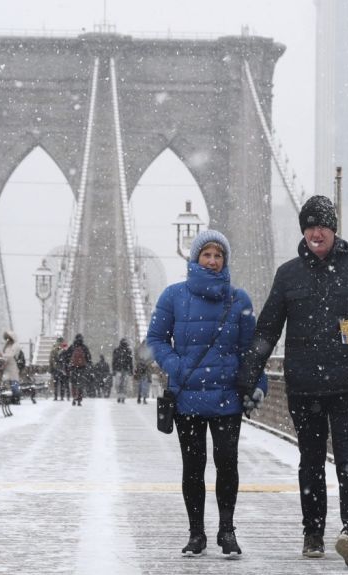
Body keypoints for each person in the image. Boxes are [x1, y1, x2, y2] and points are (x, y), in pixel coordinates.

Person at [235, 195, 348, 568]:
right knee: (311, 463)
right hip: (305, 387)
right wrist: (248, 373)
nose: (316, 233)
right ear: (304, 231)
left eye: (322, 226)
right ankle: (313, 531)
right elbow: (268, 329)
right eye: (310, 226)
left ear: (334, 230)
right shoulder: (288, 275)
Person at [147, 229, 268, 557]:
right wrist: (177, 366)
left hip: (227, 396)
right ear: (196, 258)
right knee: (193, 465)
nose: (213, 261)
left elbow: (251, 350)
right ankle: (196, 533)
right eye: (207, 254)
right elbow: (155, 339)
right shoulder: (173, 296)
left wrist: (259, 385)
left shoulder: (238, 299)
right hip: (188, 396)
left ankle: (227, 530)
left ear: (224, 261)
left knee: (227, 463)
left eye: (218, 256)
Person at [62, 333, 91, 406]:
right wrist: (88, 365)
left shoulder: (72, 347)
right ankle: (79, 399)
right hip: (82, 368)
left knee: (73, 383)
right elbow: (89, 358)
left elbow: (66, 357)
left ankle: (74, 396)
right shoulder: (84, 347)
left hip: (73, 368)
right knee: (80, 383)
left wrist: (67, 367)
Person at [0, 330, 23, 405]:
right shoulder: (7, 345)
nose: (7, 340)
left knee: (14, 383)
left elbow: (11, 355)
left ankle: (16, 398)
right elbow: (6, 354)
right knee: (7, 382)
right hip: (7, 367)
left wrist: (2, 355)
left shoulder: (15, 345)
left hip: (12, 366)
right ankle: (10, 398)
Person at [112, 338, 134, 403]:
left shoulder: (116, 350)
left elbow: (114, 361)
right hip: (125, 369)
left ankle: (120, 397)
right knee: (123, 384)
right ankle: (122, 397)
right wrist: (131, 370)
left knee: (119, 384)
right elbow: (130, 361)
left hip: (119, 369)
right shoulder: (128, 350)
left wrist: (114, 369)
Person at [133, 339, 152, 404]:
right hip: (144, 369)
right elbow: (151, 359)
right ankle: (143, 398)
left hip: (141, 369)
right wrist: (146, 363)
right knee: (144, 385)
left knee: (141, 384)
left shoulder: (139, 349)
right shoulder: (148, 350)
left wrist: (141, 363)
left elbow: (136, 358)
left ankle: (140, 397)